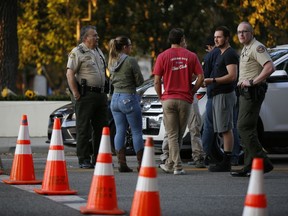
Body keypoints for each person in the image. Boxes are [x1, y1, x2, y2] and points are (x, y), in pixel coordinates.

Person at [153, 28, 204, 175]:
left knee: (173, 135)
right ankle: (177, 166)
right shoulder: (191, 56)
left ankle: (172, 164)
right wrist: (192, 91)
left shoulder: (162, 56)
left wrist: (161, 96)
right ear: (182, 39)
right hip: (185, 100)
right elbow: (200, 77)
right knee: (178, 134)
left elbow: (157, 81)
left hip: (168, 99)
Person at [231, 21, 275, 177]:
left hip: (253, 91)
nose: (241, 34)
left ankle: (264, 162)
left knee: (243, 127)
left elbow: (270, 67)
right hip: (244, 93)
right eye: (239, 32)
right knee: (249, 129)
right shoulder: (246, 48)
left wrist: (253, 81)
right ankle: (249, 166)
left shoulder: (257, 47)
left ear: (251, 33)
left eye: (245, 31)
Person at [66, 25, 109, 169]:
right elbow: (70, 73)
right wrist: (75, 92)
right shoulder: (77, 52)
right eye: (94, 35)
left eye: (97, 35)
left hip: (101, 95)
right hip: (86, 95)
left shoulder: (98, 51)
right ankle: (83, 159)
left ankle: (99, 157)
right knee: (83, 128)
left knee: (101, 128)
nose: (98, 38)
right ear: (86, 38)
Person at [204, 26, 238, 172]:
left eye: (219, 37)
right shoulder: (218, 53)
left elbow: (232, 76)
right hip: (217, 95)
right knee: (222, 128)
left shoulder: (230, 54)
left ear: (227, 38)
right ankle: (224, 159)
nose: (216, 39)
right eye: (215, 37)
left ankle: (226, 162)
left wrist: (213, 80)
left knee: (226, 129)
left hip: (224, 94)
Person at [108, 36, 144, 172]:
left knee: (120, 130)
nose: (131, 47)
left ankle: (121, 163)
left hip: (115, 99)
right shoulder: (130, 61)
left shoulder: (112, 61)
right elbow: (140, 81)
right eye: (130, 45)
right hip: (128, 97)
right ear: (124, 47)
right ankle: (141, 164)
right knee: (136, 132)